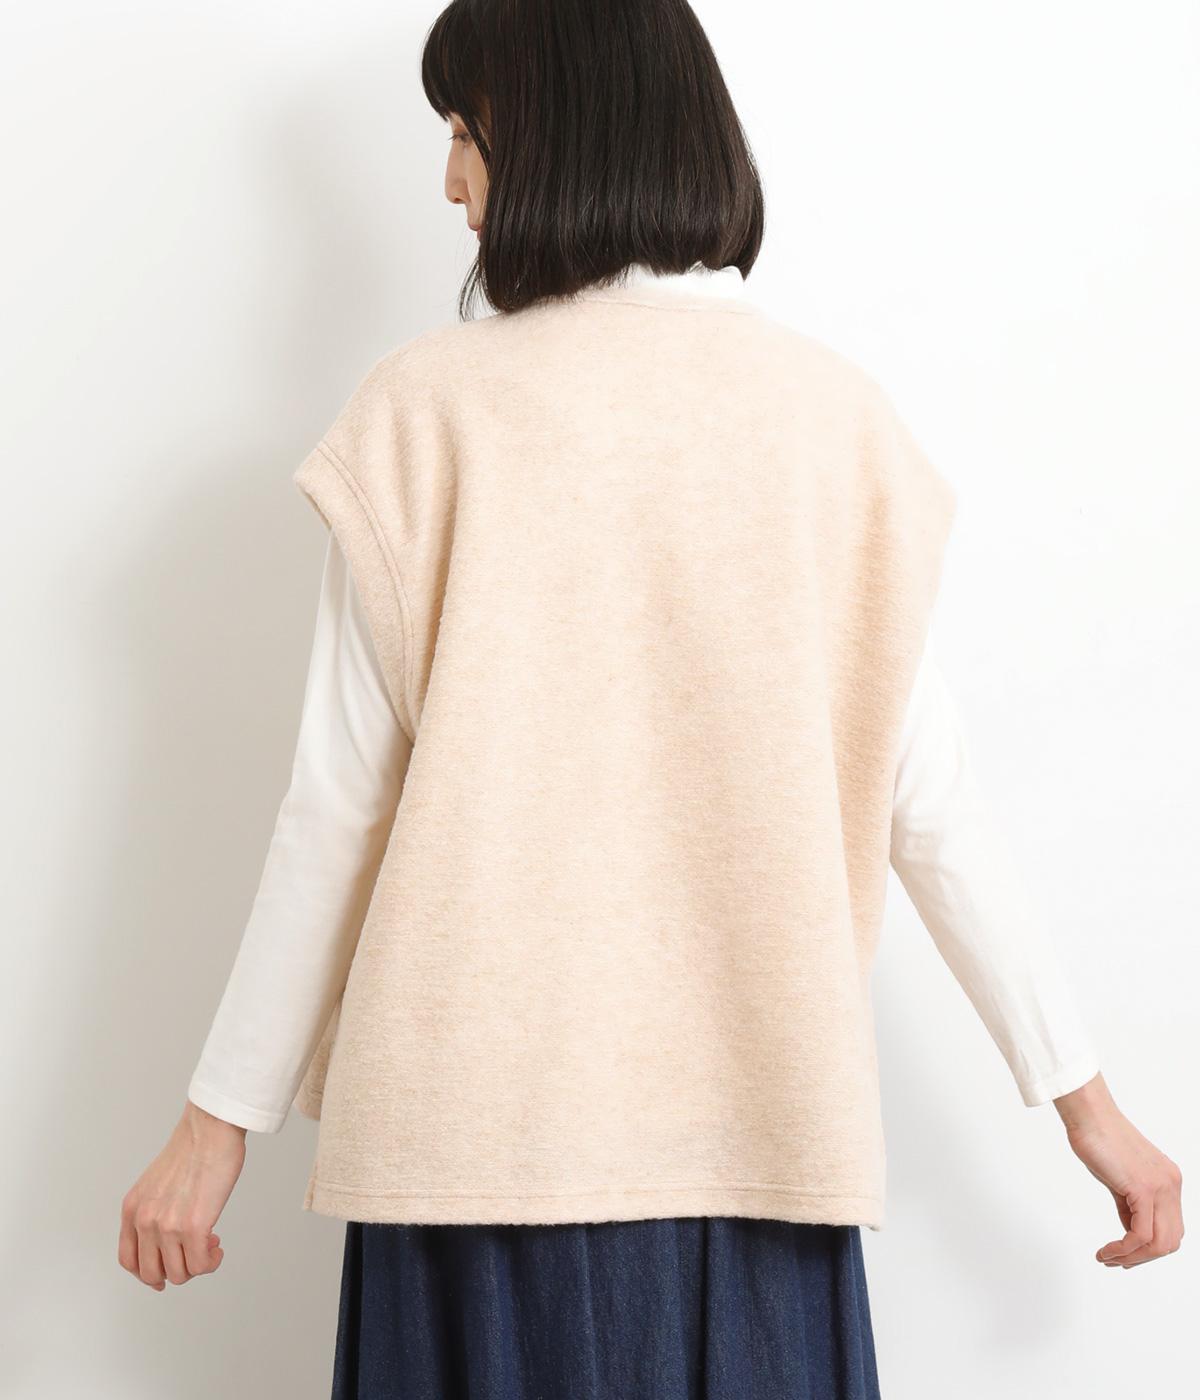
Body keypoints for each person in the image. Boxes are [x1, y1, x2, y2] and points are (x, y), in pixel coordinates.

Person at [118, 2, 1184, 1396]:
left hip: (471, 1159)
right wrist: (1085, 1102)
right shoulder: (836, 422)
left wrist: (215, 1130)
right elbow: (931, 800)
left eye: (465, 131)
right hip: (760, 1151)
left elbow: (337, 808)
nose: (449, 179)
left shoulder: (426, 413)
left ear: (556, 130)